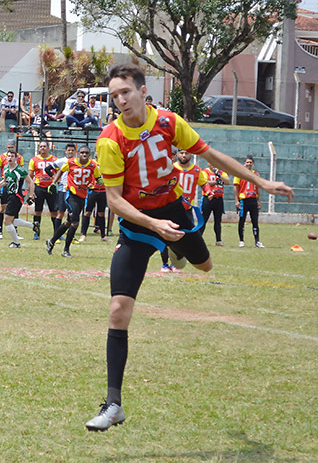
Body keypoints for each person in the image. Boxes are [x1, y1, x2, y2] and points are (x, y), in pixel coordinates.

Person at [85, 63, 294, 432]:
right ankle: (113, 403)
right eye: (114, 95)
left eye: (125, 92)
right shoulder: (109, 140)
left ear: (143, 92)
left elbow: (211, 155)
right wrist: (152, 225)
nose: (120, 100)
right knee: (118, 310)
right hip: (136, 222)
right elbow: (114, 200)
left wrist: (261, 181)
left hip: (174, 210)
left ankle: (179, 252)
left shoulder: (168, 122)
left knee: (205, 266)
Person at [47, 144, 101, 258]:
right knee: (75, 223)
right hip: (71, 195)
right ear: (78, 153)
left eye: (86, 153)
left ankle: (51, 241)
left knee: (68, 222)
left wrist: (101, 183)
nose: (84, 155)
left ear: (89, 155)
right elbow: (61, 171)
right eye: (82, 153)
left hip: (82, 196)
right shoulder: (71, 162)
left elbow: (97, 178)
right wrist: (53, 183)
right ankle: (66, 250)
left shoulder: (92, 165)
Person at [167, 149, 209, 271]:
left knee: (186, 236)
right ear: (177, 154)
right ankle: (165, 264)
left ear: (191, 155)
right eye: (181, 153)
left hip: (187, 209)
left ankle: (176, 263)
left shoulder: (196, 170)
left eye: (187, 153)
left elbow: (204, 183)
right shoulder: (170, 167)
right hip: (171, 207)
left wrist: (208, 191)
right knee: (167, 235)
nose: (184, 155)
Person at [0, 151, 35, 247]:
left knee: (7, 221)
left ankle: (16, 242)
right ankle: (33, 225)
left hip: (16, 196)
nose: (10, 158)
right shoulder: (6, 168)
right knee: (11, 221)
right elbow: (5, 181)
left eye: (12, 156)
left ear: (16, 158)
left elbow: (30, 182)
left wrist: (31, 195)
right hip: (9, 195)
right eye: (8, 156)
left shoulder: (20, 170)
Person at [28, 141, 59, 240]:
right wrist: (31, 192)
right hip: (39, 187)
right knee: (38, 211)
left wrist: (55, 182)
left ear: (48, 147)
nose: (43, 148)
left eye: (44, 146)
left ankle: (57, 233)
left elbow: (59, 173)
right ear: (38, 148)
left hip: (51, 188)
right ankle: (36, 233)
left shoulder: (54, 159)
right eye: (41, 146)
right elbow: (30, 176)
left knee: (54, 211)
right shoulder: (34, 160)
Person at [235, 155, 264, 248]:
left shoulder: (256, 174)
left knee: (255, 221)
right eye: (247, 162)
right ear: (244, 163)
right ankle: (241, 240)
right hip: (243, 200)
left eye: (250, 162)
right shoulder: (239, 173)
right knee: (242, 220)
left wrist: (259, 201)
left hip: (253, 199)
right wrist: (236, 200)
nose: (249, 164)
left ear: (253, 164)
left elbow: (258, 188)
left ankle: (257, 241)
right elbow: (236, 187)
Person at [201, 165, 230, 247]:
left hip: (219, 198)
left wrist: (219, 176)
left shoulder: (220, 171)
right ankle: (199, 238)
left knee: (218, 220)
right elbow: (204, 182)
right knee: (204, 220)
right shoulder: (205, 171)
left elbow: (227, 181)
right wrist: (217, 182)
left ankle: (218, 240)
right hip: (208, 198)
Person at [79, 166, 108, 244]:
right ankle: (83, 234)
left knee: (101, 213)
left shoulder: (106, 163)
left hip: (103, 191)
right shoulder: (91, 164)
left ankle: (103, 236)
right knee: (88, 212)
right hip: (92, 191)